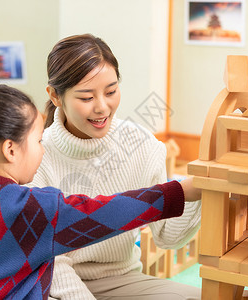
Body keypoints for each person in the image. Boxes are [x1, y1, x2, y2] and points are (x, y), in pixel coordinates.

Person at [0, 73, 200, 300]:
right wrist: (181, 191)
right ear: (10, 150)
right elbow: (108, 213)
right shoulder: (31, 206)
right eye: (38, 142)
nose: (43, 150)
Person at [29, 34, 202, 300]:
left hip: (122, 281)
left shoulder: (143, 146)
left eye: (111, 92)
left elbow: (167, 236)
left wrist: (204, 189)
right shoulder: (36, 157)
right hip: (52, 284)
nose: (102, 107)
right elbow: (51, 260)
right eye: (86, 97)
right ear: (55, 96)